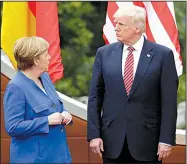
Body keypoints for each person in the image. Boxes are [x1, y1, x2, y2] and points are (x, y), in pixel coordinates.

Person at [87, 5, 178, 164]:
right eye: (115, 23)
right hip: (112, 142)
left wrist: (166, 139)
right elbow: (95, 97)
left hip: (148, 143)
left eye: (121, 24)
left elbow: (169, 102)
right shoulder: (104, 53)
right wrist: (94, 135)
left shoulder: (163, 55)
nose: (115, 28)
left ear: (137, 28)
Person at [3, 36, 72, 163]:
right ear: (36, 60)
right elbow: (13, 127)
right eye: (46, 54)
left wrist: (65, 113)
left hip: (60, 156)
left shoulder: (44, 77)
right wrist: (46, 121)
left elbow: (55, 105)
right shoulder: (16, 87)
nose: (49, 57)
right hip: (34, 159)